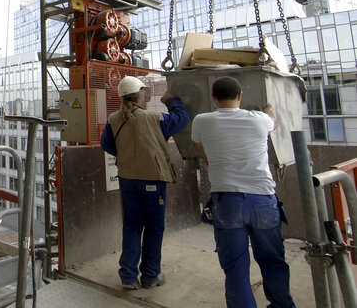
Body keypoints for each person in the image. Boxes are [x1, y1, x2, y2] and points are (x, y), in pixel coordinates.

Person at [190, 76, 296, 308]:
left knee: (236, 266)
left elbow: (198, 146)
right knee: (273, 260)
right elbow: (273, 121)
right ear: (240, 96)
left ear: (213, 98)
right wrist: (268, 110)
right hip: (263, 200)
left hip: (227, 202)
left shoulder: (202, 120)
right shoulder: (260, 120)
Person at [101, 76, 189, 290]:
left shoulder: (113, 119)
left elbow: (107, 144)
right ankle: (150, 275)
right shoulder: (155, 118)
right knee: (154, 227)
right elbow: (182, 118)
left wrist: (127, 156)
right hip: (153, 180)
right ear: (140, 95)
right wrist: (171, 101)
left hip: (128, 180)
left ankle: (128, 276)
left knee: (132, 225)